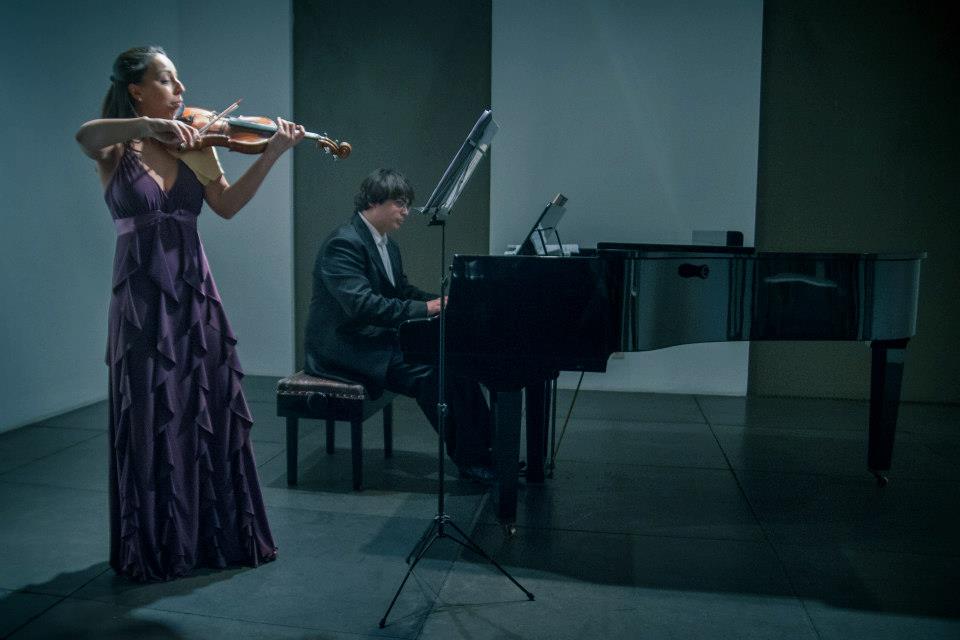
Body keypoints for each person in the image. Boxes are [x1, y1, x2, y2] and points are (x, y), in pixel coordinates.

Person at [75, 46, 304, 581]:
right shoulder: (116, 149)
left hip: (194, 295)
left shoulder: (197, 145)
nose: (181, 90)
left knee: (205, 412)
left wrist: (271, 155)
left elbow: (226, 206)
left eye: (179, 81)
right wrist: (147, 126)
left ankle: (212, 540)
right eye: (167, 80)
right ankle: (158, 546)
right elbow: (84, 135)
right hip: (139, 303)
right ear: (136, 90)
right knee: (149, 418)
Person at [304, 168, 493, 480]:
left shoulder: (387, 245)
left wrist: (442, 301)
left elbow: (401, 292)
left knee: (456, 361)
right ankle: (472, 461)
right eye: (400, 203)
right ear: (374, 201)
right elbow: (362, 305)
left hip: (372, 338)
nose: (406, 212)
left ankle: (489, 450)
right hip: (344, 347)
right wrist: (426, 309)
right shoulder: (343, 243)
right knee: (432, 374)